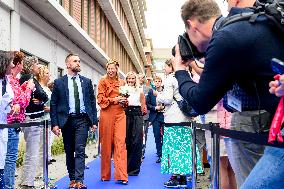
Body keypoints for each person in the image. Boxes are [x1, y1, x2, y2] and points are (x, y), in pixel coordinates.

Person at [172, 0, 284, 188]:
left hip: (256, 125)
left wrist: (180, 71)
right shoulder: (249, 23)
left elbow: (200, 101)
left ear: (192, 25)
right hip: (271, 122)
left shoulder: (226, 37)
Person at [50, 53, 98, 189]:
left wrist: (94, 121)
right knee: (69, 150)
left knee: (80, 149)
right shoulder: (59, 82)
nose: (78, 63)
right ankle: (72, 179)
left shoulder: (87, 82)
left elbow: (91, 103)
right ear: (68, 64)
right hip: (67, 121)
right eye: (75, 61)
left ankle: (79, 180)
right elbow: (53, 104)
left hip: (82, 120)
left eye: (79, 61)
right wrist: (55, 124)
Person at [157, 59, 203, 188]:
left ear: (171, 67)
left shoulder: (170, 79)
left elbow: (166, 98)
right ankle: (183, 177)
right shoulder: (187, 78)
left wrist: (157, 95)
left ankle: (176, 178)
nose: (164, 69)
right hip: (186, 118)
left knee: (173, 149)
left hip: (173, 118)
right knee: (185, 149)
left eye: (165, 67)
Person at [4, 51, 34, 189]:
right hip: (10, 124)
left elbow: (17, 100)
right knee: (9, 159)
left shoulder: (14, 80)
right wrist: (28, 89)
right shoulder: (9, 79)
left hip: (12, 124)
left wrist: (23, 88)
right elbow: (19, 103)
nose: (23, 66)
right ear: (18, 64)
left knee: (9, 159)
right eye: (22, 63)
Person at [97, 60, 128, 185]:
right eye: (108, 68)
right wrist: (114, 99)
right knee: (106, 145)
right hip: (107, 114)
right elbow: (100, 99)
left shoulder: (122, 82)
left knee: (121, 144)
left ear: (117, 69)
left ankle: (121, 176)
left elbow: (127, 101)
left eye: (113, 68)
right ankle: (105, 175)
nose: (110, 70)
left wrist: (124, 101)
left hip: (120, 114)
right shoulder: (102, 81)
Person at [20, 56, 48, 189]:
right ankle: (28, 182)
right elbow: (43, 95)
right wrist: (41, 100)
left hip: (30, 119)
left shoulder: (27, 78)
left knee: (31, 151)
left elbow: (42, 97)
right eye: (37, 64)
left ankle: (26, 180)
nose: (39, 67)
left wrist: (41, 101)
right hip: (32, 119)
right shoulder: (29, 79)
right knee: (33, 151)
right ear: (31, 66)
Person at [0, 51, 17, 189]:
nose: (13, 64)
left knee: (2, 164)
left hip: (3, 127)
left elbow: (5, 104)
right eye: (11, 62)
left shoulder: (5, 81)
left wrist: (12, 106)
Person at [124, 71, 145, 176]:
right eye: (129, 78)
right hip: (125, 114)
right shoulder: (123, 90)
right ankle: (124, 167)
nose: (130, 80)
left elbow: (143, 107)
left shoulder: (140, 90)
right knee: (126, 141)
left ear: (135, 79)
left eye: (132, 78)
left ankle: (134, 169)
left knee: (136, 141)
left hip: (137, 115)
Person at [146, 76, 164, 163]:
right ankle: (160, 155)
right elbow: (147, 104)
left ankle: (166, 154)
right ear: (154, 82)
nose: (157, 83)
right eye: (156, 81)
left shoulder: (166, 91)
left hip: (165, 116)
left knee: (165, 137)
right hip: (155, 117)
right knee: (157, 136)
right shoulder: (151, 92)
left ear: (161, 82)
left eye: (159, 81)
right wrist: (155, 108)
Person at [138, 73, 150, 159]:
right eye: (139, 78)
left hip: (145, 116)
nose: (140, 79)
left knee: (144, 134)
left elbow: (150, 103)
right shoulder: (132, 88)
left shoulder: (148, 89)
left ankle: (142, 152)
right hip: (134, 115)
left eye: (142, 78)